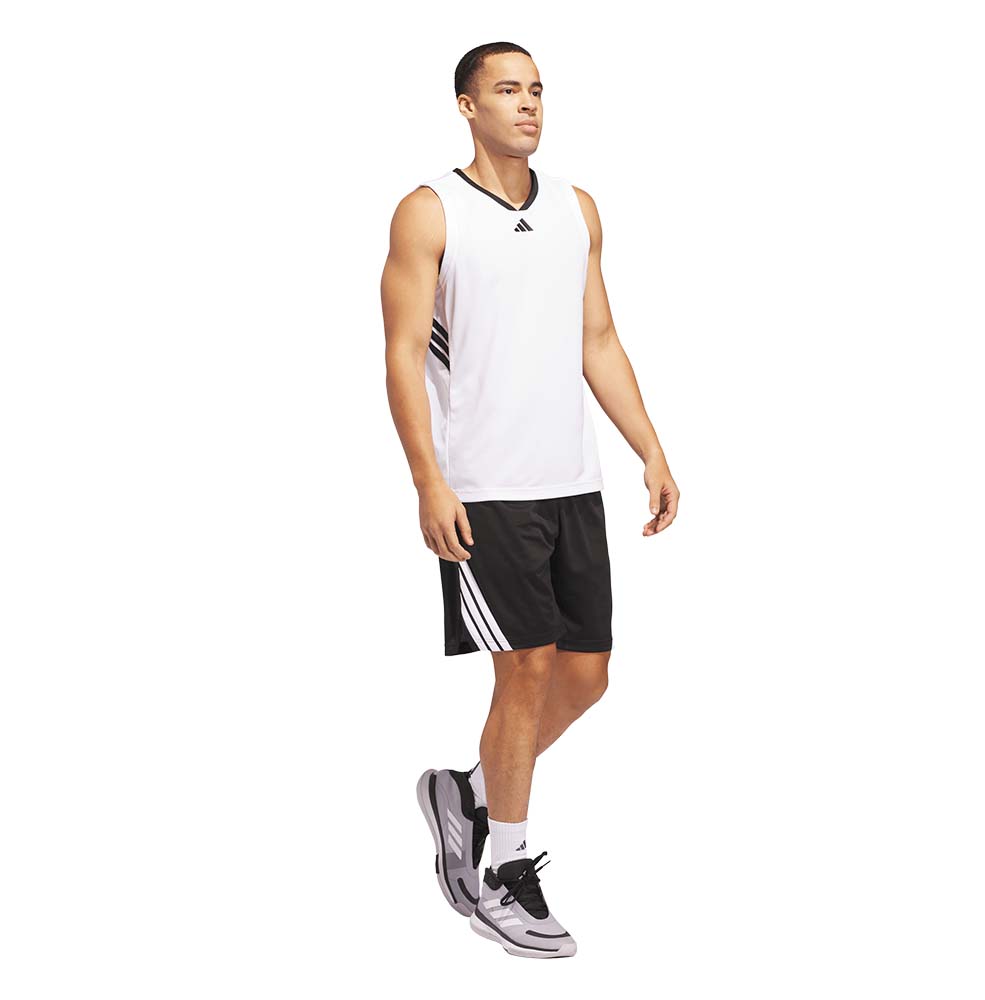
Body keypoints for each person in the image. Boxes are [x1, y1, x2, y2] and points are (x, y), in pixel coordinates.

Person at [381, 41, 679, 958]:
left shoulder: (576, 209)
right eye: (507, 90)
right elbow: (402, 355)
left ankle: (468, 794)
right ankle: (504, 875)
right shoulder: (430, 211)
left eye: (537, 90)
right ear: (466, 106)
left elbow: (598, 338)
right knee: (527, 669)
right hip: (486, 490)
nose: (528, 104)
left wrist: (651, 449)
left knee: (587, 676)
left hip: (571, 481)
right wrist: (428, 481)